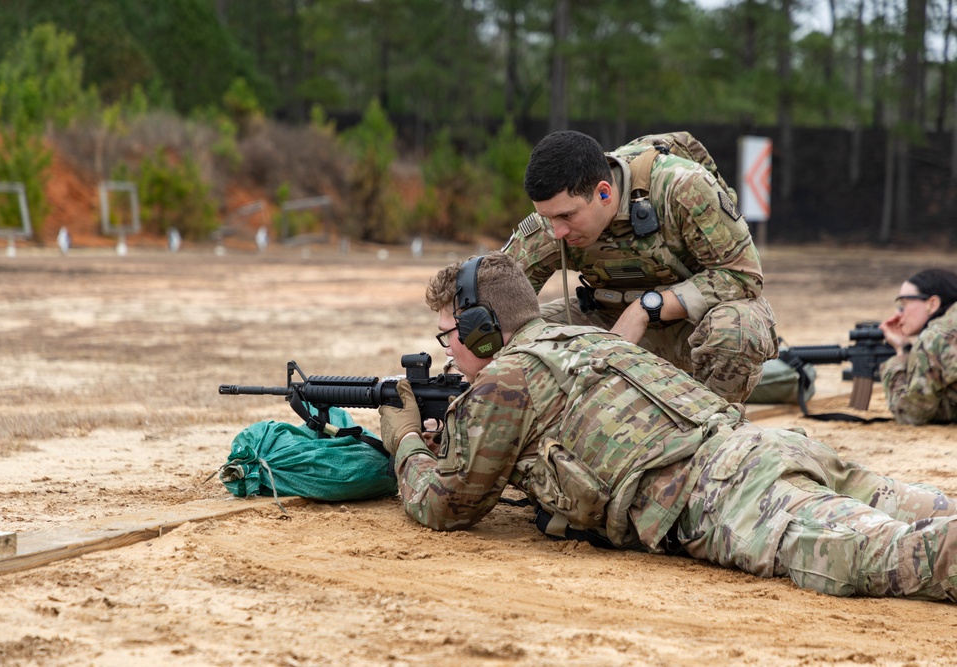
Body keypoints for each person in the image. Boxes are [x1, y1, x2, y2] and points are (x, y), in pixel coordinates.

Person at [378, 252, 957, 601]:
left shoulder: (506, 379)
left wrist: (404, 437)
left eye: (448, 334)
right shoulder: (587, 339)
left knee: (902, 557)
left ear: (480, 328)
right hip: (765, 449)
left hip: (726, 494)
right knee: (932, 510)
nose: (447, 352)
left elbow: (446, 506)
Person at [502, 130, 778, 403]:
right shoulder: (553, 219)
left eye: (567, 216)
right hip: (607, 323)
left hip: (690, 328)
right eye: (547, 217)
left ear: (604, 193)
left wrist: (647, 308)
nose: (557, 230)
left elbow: (743, 275)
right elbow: (495, 293)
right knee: (516, 338)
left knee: (737, 328)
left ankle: (717, 427)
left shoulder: (682, 187)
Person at [878, 268, 957, 425]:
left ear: (932, 304)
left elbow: (911, 414)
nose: (898, 314)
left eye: (903, 305)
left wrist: (900, 355)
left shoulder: (935, 336)